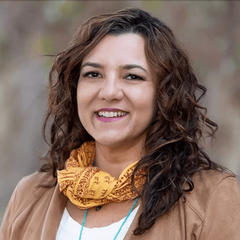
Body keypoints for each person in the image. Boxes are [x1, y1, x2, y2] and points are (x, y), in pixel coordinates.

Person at [0, 7, 240, 240]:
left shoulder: (212, 197)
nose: (109, 92)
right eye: (93, 74)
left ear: (164, 94)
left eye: (132, 76)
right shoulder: (29, 195)